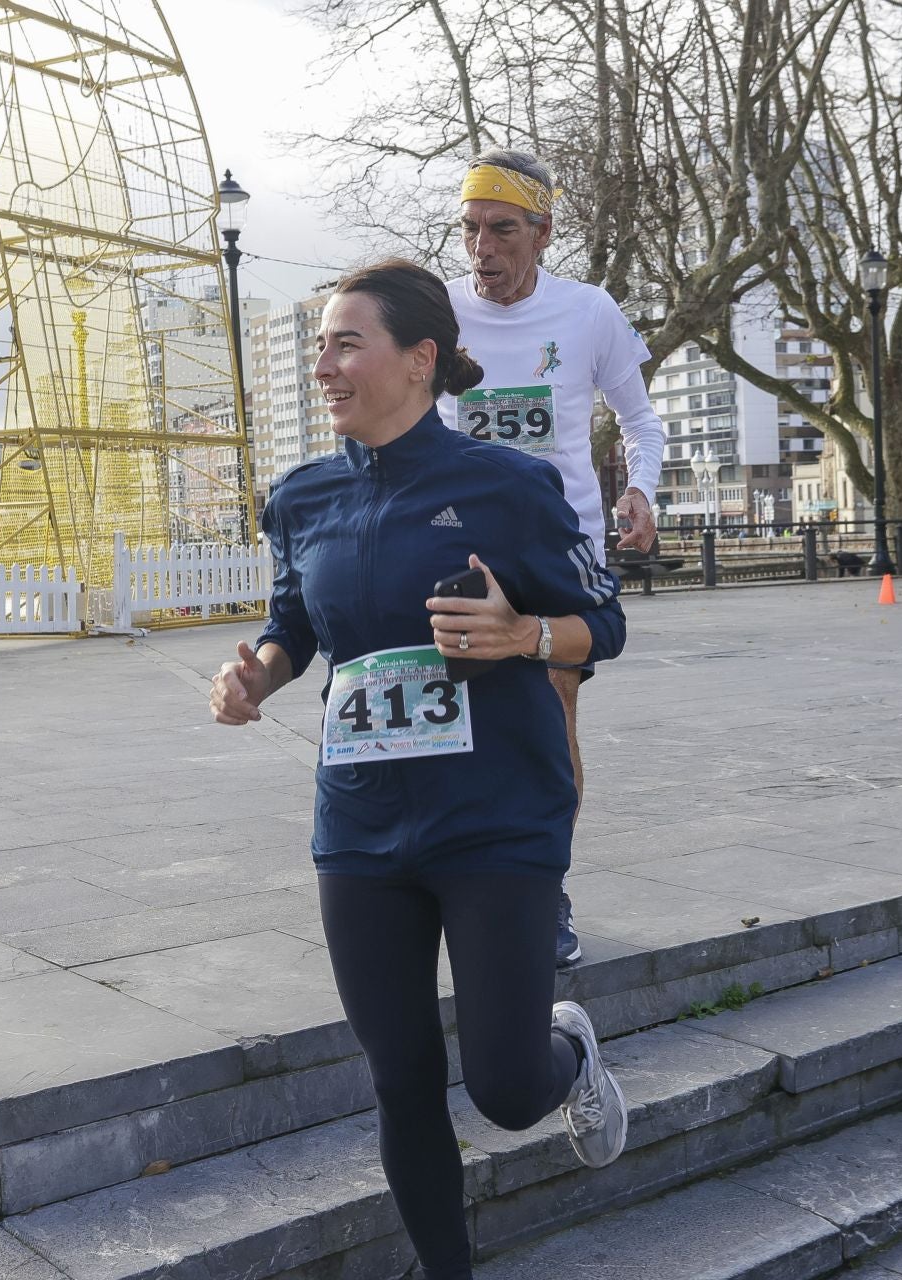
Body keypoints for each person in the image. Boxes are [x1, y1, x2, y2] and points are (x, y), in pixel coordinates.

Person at [209, 259, 631, 1280]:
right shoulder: (301, 497)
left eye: (346, 342)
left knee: (504, 1087)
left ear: (420, 359)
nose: (324, 366)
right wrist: (257, 676)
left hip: (494, 818)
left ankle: (567, 1047)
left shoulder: (509, 486)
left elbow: (603, 623)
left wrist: (523, 631)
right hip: (360, 824)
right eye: (318, 344)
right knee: (400, 1077)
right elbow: (295, 626)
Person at [438, 147, 664, 966]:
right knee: (448, 725)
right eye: (469, 230)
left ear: (543, 232)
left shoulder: (588, 311)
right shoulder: (440, 310)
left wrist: (641, 491)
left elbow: (640, 421)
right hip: (455, 542)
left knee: (548, 721)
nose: (482, 249)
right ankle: (455, 889)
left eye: (501, 230)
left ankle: (545, 896)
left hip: (556, 547)